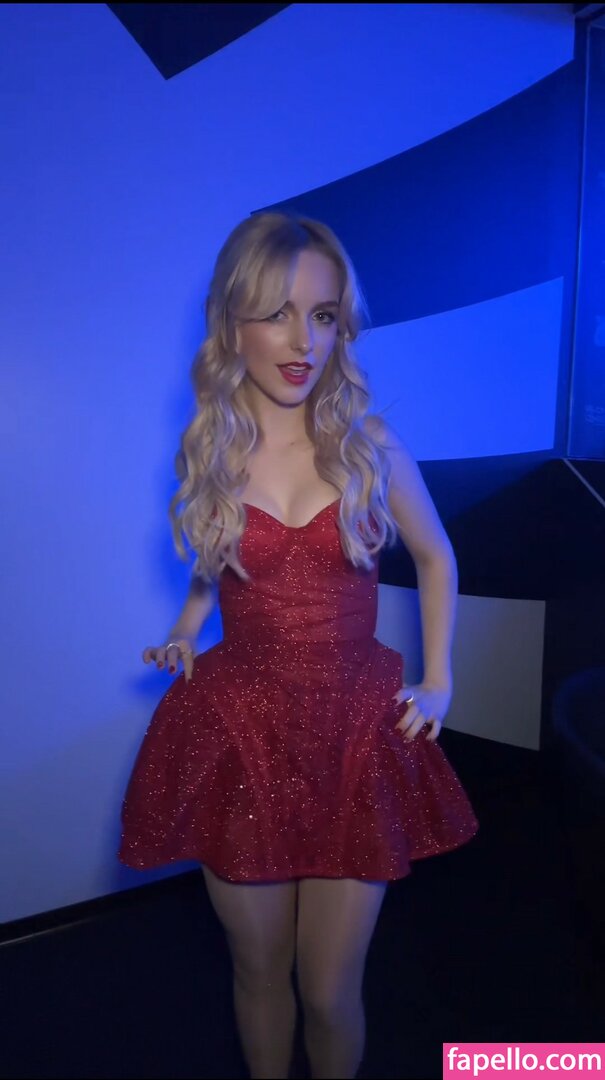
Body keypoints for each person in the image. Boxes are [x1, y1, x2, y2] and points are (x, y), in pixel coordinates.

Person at [119, 211, 479, 1080]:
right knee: (257, 973)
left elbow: (436, 556)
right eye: (277, 313)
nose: (303, 341)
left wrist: (438, 679)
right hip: (239, 730)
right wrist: (183, 630)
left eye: (322, 316)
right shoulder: (213, 451)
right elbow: (214, 562)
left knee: (328, 990)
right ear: (231, 321)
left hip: (354, 729)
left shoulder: (368, 445)